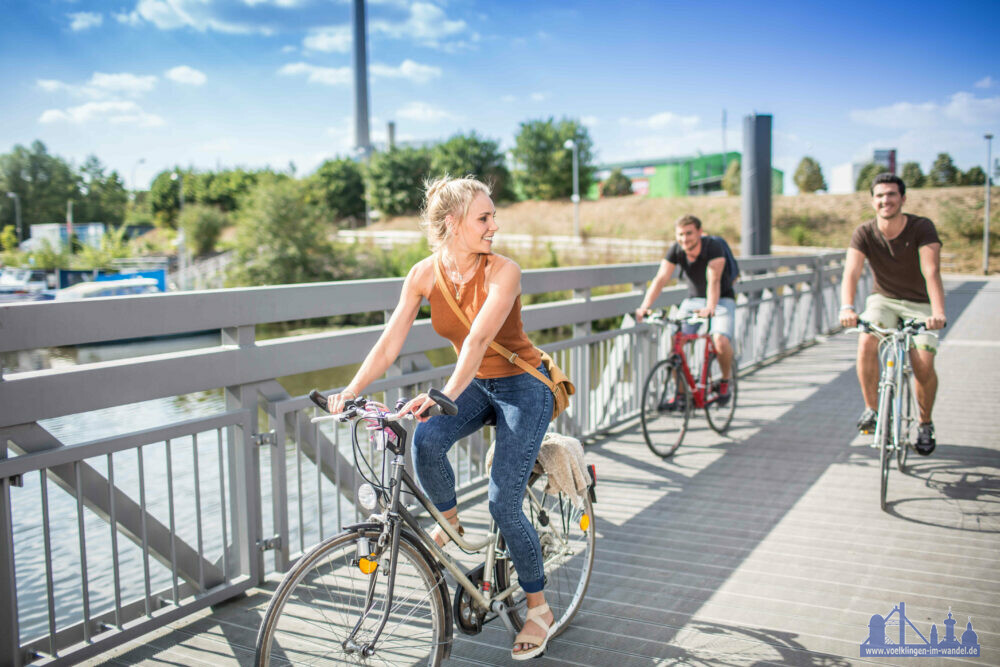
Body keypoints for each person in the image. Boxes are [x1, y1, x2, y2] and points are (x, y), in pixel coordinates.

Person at [327, 176, 556, 661]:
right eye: (484, 217)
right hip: (476, 384)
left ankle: (538, 608)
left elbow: (475, 343)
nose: (495, 225)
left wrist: (442, 394)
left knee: (503, 502)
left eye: (493, 216)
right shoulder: (423, 274)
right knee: (425, 442)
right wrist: (351, 390)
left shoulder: (504, 272)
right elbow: (389, 343)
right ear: (452, 224)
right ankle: (449, 523)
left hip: (523, 385)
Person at [839, 173, 946, 455]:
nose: (885, 200)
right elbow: (851, 271)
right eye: (880, 195)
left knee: (922, 364)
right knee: (866, 340)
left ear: (903, 199)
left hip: (919, 303)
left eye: (891, 195)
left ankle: (925, 423)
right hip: (883, 300)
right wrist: (846, 307)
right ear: (873, 200)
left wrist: (937, 312)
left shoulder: (922, 228)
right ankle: (872, 410)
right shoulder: (864, 232)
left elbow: (931, 270)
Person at [635, 214, 736, 404]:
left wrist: (710, 307)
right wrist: (644, 307)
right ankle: (681, 395)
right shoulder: (676, 250)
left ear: (699, 232)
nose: (684, 239)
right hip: (694, 300)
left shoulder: (713, 247)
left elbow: (713, 280)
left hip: (721, 299)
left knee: (720, 340)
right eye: (680, 234)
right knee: (675, 342)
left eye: (689, 233)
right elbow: (661, 279)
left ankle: (725, 381)